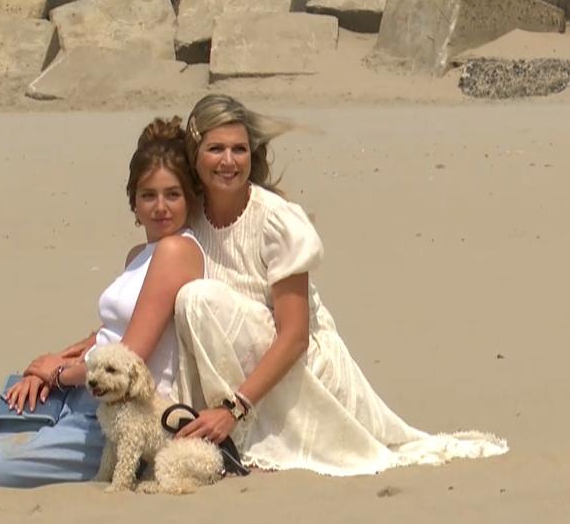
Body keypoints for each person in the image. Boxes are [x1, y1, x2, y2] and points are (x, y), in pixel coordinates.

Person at [170, 94, 507, 474]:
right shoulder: (188, 217)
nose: (229, 162)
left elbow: (295, 337)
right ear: (195, 153)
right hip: (240, 371)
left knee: (196, 299)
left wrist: (233, 410)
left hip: (300, 371)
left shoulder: (276, 221)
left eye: (239, 149)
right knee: (185, 302)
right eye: (216, 149)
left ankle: (230, 436)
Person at [0, 118, 205, 488]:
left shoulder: (177, 250)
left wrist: (58, 373)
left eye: (173, 194)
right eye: (147, 195)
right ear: (133, 201)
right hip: (81, 396)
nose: (160, 207)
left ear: (191, 196)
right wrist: (56, 363)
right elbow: (113, 331)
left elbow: (131, 356)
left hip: (122, 418)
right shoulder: (139, 253)